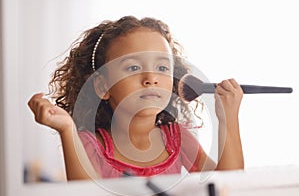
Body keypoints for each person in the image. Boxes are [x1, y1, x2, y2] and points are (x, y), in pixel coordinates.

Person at [28, 16, 244, 180]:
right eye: (133, 67)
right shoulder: (90, 145)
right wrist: (67, 129)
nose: (151, 78)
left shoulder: (178, 139)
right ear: (103, 86)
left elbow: (229, 185)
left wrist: (228, 117)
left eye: (161, 67)